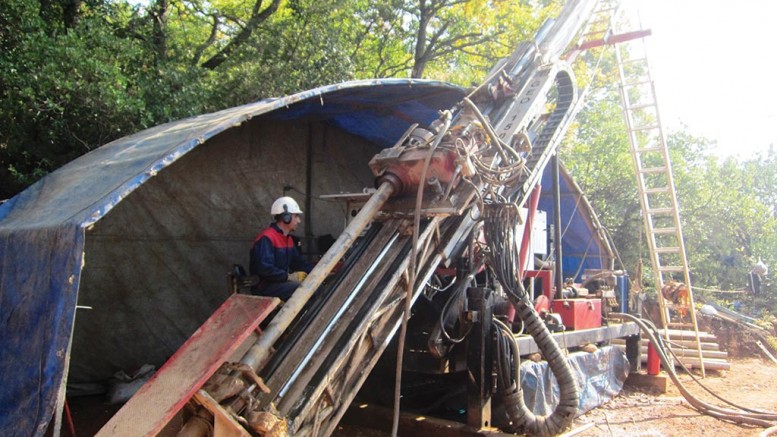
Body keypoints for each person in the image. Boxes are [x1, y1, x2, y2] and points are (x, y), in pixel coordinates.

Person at [250, 196, 312, 301]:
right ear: (286, 217)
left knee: (312, 285)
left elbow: (298, 263)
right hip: (265, 287)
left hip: (278, 283)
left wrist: (317, 272)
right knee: (303, 289)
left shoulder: (288, 239)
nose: (299, 221)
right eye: (296, 216)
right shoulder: (267, 238)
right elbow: (265, 269)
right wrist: (288, 277)